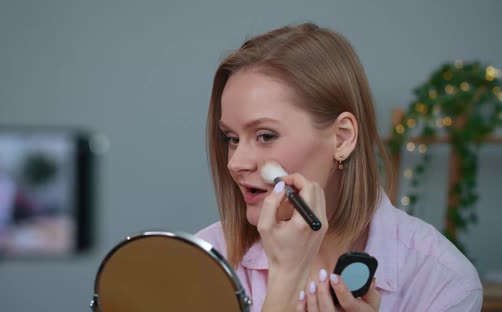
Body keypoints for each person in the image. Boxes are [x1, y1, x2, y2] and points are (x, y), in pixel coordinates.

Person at [196, 22, 482, 311]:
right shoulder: (201, 263)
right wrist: (285, 280)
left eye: (266, 136)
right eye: (231, 138)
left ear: (342, 138)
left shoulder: (443, 281)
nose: (236, 163)